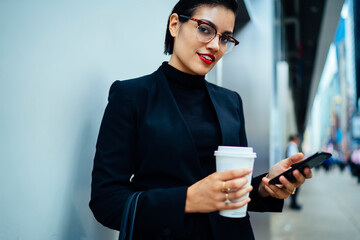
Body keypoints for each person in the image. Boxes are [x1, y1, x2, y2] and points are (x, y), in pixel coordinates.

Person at [89, 0, 312, 239]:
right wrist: (187, 200)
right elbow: (106, 201)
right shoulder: (131, 96)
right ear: (175, 25)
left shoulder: (231, 102)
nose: (216, 45)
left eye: (226, 38)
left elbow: (230, 192)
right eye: (205, 29)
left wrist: (265, 187)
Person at [285, 135, 302, 210]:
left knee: (294, 187)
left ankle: (293, 203)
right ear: (294, 139)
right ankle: (293, 203)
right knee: (295, 187)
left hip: (292, 169)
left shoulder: (290, 145)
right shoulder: (292, 145)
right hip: (293, 169)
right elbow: (293, 158)